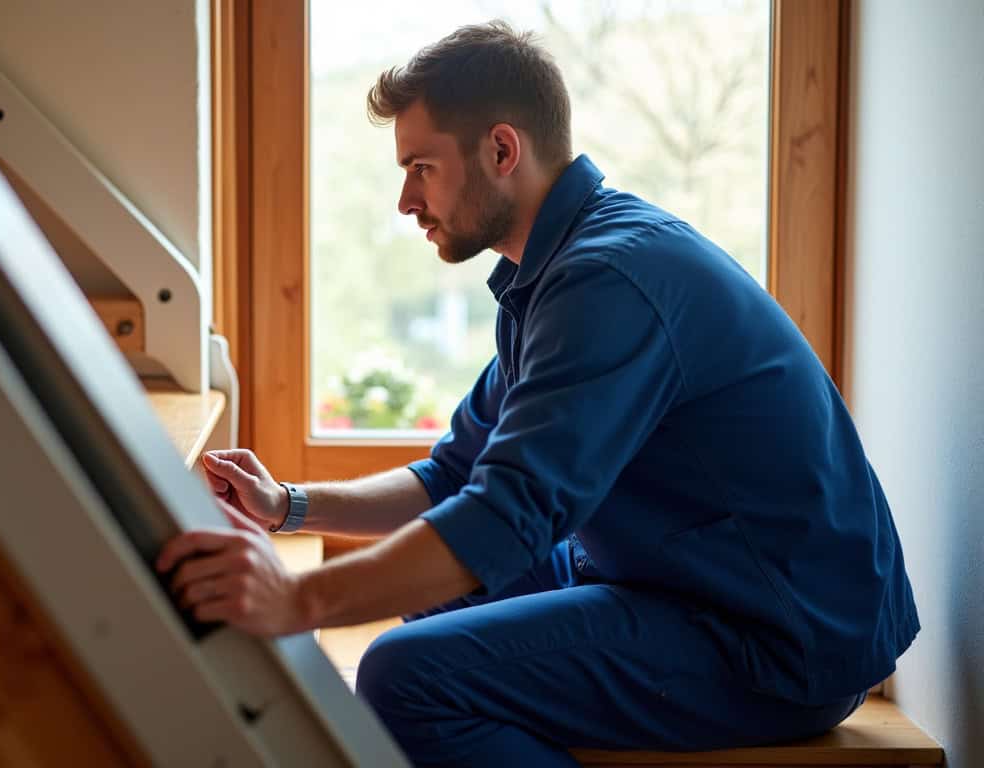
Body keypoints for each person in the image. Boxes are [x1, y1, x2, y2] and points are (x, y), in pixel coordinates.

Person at [154, 20, 918, 767]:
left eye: (420, 167)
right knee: (437, 594)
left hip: (776, 640)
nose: (405, 202)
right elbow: (455, 476)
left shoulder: (607, 280)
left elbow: (506, 517)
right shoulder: (551, 275)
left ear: (500, 149)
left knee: (403, 677)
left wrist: (296, 600)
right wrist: (289, 504)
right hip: (671, 581)